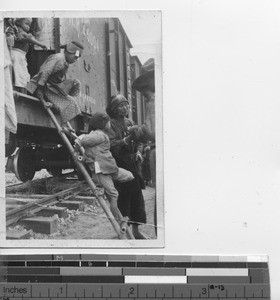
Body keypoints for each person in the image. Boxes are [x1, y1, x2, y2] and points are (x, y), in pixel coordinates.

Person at [74, 112, 134, 222]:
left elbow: (89, 149)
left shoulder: (100, 135)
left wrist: (81, 152)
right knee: (113, 194)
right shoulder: (99, 135)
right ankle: (119, 219)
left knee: (130, 176)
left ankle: (105, 188)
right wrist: (78, 143)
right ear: (102, 124)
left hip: (110, 167)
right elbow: (84, 140)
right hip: (102, 170)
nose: (110, 124)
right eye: (108, 122)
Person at [106, 94, 147, 239]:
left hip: (134, 166)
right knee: (124, 200)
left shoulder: (130, 122)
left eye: (127, 105)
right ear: (115, 110)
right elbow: (110, 145)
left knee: (137, 199)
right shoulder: (111, 124)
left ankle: (136, 231)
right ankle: (125, 231)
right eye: (122, 105)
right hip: (121, 166)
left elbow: (141, 140)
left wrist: (139, 152)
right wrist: (125, 141)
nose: (126, 108)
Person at [27, 41, 83, 126]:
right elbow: (45, 72)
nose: (75, 60)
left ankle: (62, 119)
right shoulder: (58, 58)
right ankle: (62, 121)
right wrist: (40, 89)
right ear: (68, 52)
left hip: (53, 87)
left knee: (73, 94)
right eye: (75, 57)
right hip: (45, 87)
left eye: (77, 58)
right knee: (70, 102)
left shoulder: (64, 61)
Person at [131, 58, 157, 234]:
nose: (145, 97)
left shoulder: (154, 101)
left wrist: (136, 130)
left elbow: (151, 131)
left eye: (145, 93)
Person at [8, 18, 48, 92]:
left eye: (29, 25)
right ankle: (21, 92)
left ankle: (22, 91)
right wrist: (40, 44)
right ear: (18, 22)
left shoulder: (20, 32)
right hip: (17, 55)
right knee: (20, 75)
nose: (28, 27)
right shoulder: (19, 32)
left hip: (21, 56)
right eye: (26, 24)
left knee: (22, 75)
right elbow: (29, 38)